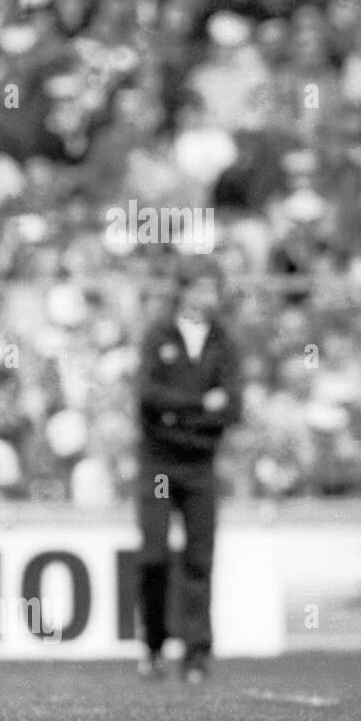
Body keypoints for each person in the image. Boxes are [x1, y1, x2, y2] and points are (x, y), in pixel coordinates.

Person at [135, 256, 244, 683]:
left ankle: (197, 654)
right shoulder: (158, 335)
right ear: (181, 290)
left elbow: (232, 407)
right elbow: (147, 397)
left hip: (200, 466)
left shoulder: (224, 342)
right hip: (161, 467)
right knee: (155, 554)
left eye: (212, 289)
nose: (207, 297)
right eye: (200, 288)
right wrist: (200, 405)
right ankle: (154, 645)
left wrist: (177, 414)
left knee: (200, 558)